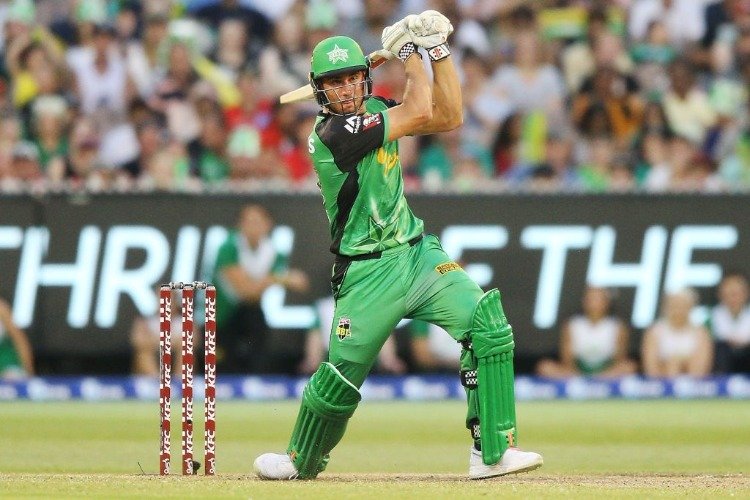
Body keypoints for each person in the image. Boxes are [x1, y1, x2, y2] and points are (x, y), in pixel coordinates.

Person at [254, 10, 543, 481]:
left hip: (415, 253)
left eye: (352, 79)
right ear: (319, 89)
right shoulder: (330, 136)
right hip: (366, 272)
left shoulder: (377, 112)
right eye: (335, 83)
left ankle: (492, 452)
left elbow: (449, 115)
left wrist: (438, 53)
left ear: (364, 80)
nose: (346, 90)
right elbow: (417, 111)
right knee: (341, 377)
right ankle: (300, 460)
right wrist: (411, 53)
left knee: (486, 324)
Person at [211, 204, 309, 373]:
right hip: (222, 313)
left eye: (257, 221)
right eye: (248, 222)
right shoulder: (228, 247)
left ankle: (256, 378)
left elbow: (302, 284)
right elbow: (245, 291)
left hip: (251, 311)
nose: (253, 227)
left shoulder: (272, 251)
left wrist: (270, 281)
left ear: (267, 224)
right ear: (240, 225)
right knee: (225, 354)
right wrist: (281, 278)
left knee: (258, 325)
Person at [536, 286, 638, 379]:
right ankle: (581, 382)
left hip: (606, 373)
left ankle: (598, 382)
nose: (594, 303)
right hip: (577, 372)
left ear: (607, 302)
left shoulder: (617, 326)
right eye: (591, 299)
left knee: (629, 367)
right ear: (584, 301)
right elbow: (567, 359)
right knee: (545, 366)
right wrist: (577, 374)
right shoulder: (572, 325)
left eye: (598, 299)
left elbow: (619, 359)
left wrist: (603, 374)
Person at [641, 288, 714, 377]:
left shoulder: (701, 333)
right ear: (666, 307)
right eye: (674, 305)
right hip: (661, 381)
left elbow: (701, 369)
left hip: (692, 382)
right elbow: (651, 368)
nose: (678, 310)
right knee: (673, 366)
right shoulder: (654, 332)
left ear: (691, 307)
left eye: (683, 305)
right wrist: (671, 367)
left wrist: (679, 364)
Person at [708, 271, 750, 374]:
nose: (733, 298)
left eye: (736, 293)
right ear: (721, 295)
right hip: (722, 361)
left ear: (746, 293)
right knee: (720, 348)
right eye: (728, 294)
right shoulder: (711, 317)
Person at [0, 295, 34, 379]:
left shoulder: (2, 309)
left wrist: (29, 373)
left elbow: (21, 342)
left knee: (12, 377)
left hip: (6, 365)